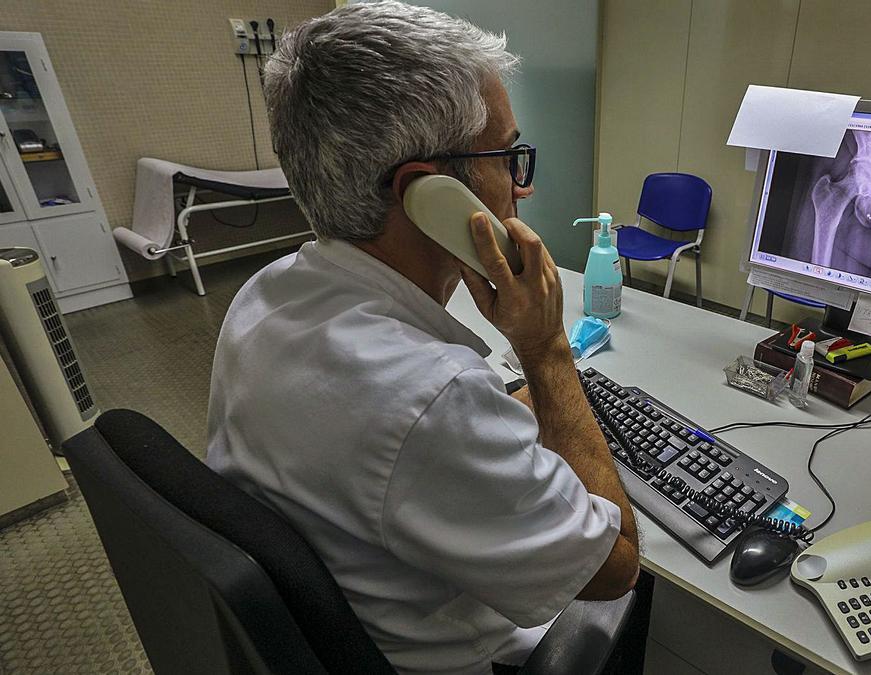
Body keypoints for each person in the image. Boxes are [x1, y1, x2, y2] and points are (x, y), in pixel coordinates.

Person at [204, 3, 640, 673]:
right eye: (510, 157)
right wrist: (547, 349)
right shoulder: (431, 398)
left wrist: (516, 405)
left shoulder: (265, 294)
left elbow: (431, 432)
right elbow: (613, 569)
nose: (521, 188)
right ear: (430, 195)